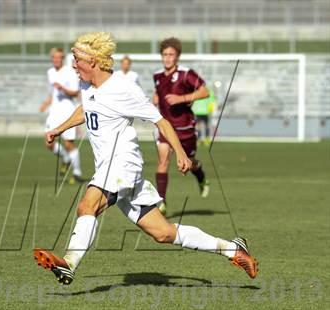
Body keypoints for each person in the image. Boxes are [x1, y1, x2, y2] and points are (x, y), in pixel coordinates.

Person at [33, 32, 258, 285]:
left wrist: (181, 153)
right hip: (111, 168)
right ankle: (233, 249)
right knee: (163, 233)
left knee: (88, 205)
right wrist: (59, 128)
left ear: (94, 60)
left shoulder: (122, 88)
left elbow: (160, 120)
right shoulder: (87, 85)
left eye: (76, 59)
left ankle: (69, 262)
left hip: (122, 164)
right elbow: (86, 109)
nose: (73, 64)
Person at [153, 37, 210, 215]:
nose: (167, 58)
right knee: (163, 161)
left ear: (177, 56)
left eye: (171, 54)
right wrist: (155, 100)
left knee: (187, 164)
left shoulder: (186, 74)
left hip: (185, 128)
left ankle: (199, 172)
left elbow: (205, 91)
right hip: (165, 127)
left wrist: (181, 99)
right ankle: (161, 202)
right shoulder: (157, 75)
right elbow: (159, 93)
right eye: (165, 54)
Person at [39, 47, 83, 184]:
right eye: (54, 57)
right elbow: (53, 92)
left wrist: (63, 88)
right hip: (54, 112)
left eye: (58, 57)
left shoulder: (70, 72)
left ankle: (77, 173)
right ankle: (65, 158)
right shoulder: (50, 72)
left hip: (67, 110)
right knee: (48, 142)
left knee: (68, 143)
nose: (56, 59)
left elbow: (76, 93)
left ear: (62, 58)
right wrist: (46, 103)